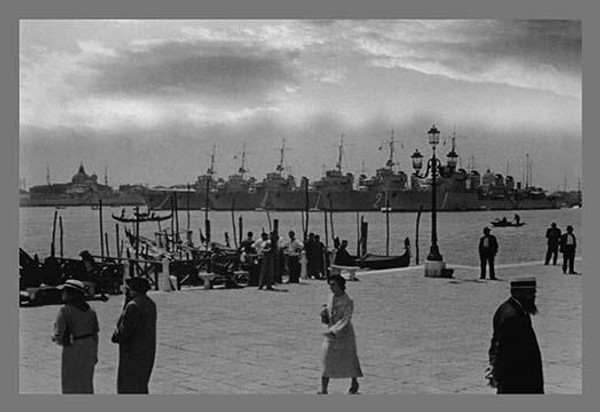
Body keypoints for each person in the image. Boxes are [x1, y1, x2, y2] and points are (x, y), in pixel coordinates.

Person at [487, 277, 543, 394]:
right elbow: (501, 348)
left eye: (534, 292)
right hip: (518, 380)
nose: (534, 296)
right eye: (530, 293)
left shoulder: (516, 309)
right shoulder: (511, 316)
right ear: (518, 293)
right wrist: (496, 371)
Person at [52, 279, 99, 394]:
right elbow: (95, 334)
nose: (62, 294)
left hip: (73, 348)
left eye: (65, 292)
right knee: (86, 381)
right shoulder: (90, 310)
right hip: (89, 346)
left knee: (71, 382)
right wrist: (95, 352)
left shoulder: (65, 311)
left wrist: (56, 339)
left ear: (70, 294)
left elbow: (59, 334)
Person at [111, 277, 157, 394]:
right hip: (146, 349)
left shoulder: (133, 306)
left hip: (132, 352)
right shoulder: (150, 303)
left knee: (128, 385)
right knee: (140, 384)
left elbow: (123, 331)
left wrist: (115, 335)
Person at [319, 274, 363, 394]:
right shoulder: (330, 297)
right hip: (330, 333)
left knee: (349, 359)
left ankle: (354, 382)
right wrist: (324, 314)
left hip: (345, 334)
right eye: (330, 285)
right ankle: (324, 389)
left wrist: (335, 330)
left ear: (340, 285)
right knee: (326, 359)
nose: (331, 288)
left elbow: (346, 318)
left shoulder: (348, 300)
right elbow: (328, 310)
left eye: (333, 285)